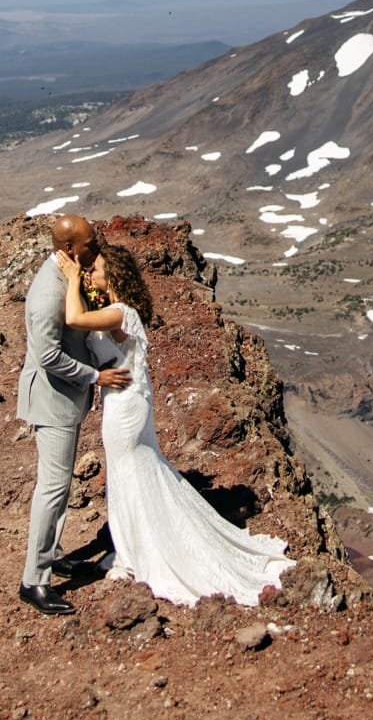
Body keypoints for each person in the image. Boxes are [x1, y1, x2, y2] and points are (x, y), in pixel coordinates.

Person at [62, 242, 294, 607]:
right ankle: (134, 547)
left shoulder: (122, 313)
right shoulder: (115, 311)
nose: (92, 273)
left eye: (97, 268)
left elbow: (75, 319)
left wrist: (72, 278)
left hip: (125, 407)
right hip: (121, 403)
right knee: (129, 475)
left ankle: (143, 551)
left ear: (114, 275)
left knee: (130, 473)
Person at [16, 214, 129, 616]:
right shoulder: (48, 292)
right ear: (68, 249)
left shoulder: (67, 273)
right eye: (89, 244)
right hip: (53, 401)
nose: (95, 248)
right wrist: (95, 376)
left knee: (59, 486)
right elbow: (46, 354)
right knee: (53, 488)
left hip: (65, 399)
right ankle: (34, 580)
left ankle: (53, 554)